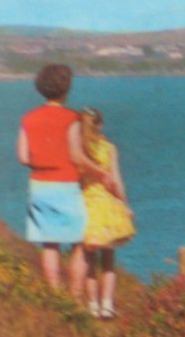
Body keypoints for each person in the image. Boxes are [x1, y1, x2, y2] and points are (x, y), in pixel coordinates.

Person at [16, 64, 99, 300]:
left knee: (49, 244)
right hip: (67, 185)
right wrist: (100, 171)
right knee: (79, 243)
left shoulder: (28, 118)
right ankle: (75, 297)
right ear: (66, 89)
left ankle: (55, 297)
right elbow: (76, 156)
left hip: (39, 186)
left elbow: (23, 157)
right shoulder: (71, 118)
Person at [78, 106, 136, 319]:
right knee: (109, 258)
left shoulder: (80, 149)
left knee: (89, 259)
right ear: (100, 124)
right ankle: (107, 305)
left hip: (86, 205)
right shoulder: (108, 148)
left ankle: (92, 305)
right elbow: (117, 181)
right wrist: (125, 204)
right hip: (107, 205)